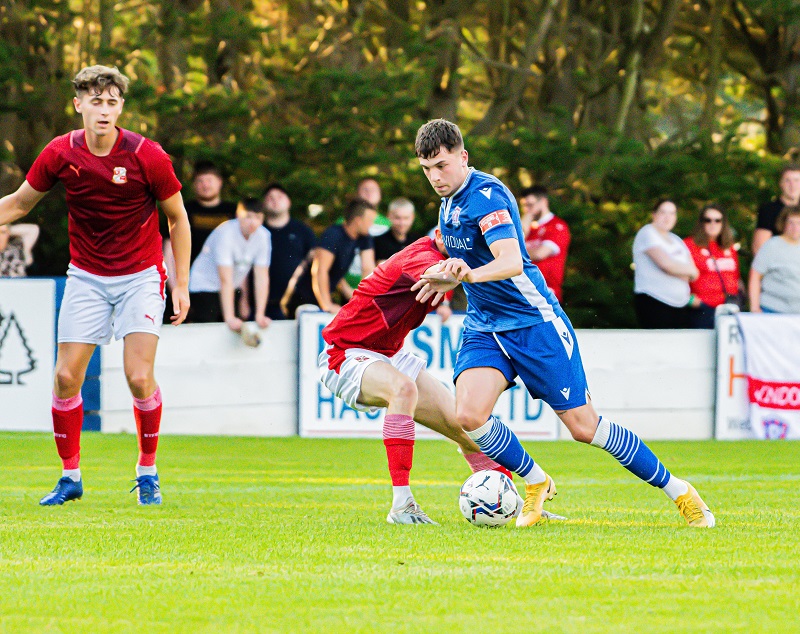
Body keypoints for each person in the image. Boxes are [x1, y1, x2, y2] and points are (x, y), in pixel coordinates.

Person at [412, 119, 714, 528]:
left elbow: (511, 261)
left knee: (585, 428)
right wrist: (442, 272)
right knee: (467, 414)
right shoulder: (448, 204)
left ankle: (681, 491)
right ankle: (535, 482)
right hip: (486, 326)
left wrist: (463, 276)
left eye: (442, 166)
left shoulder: (487, 196)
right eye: (427, 169)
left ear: (463, 157)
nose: (435, 177)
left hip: (534, 323)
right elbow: (455, 253)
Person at [0, 65, 191, 506]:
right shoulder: (60, 153)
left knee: (139, 377)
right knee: (66, 377)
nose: (104, 111)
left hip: (141, 276)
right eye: (96, 101)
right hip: (86, 275)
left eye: (112, 102)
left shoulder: (148, 155)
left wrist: (179, 283)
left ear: (121, 107)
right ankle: (70, 478)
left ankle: (147, 470)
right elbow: (20, 203)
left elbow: (177, 218)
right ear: (79, 105)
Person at [320, 231, 514, 524]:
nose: (462, 242)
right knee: (403, 390)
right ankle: (401, 505)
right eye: (454, 234)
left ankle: (518, 505)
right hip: (344, 351)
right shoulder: (422, 255)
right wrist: (453, 272)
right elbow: (431, 270)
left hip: (388, 353)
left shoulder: (452, 263)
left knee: (465, 426)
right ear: (438, 233)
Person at [162, 162, 236, 320]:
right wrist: (176, 289)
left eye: (209, 180)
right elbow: (168, 253)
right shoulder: (182, 211)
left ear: (220, 182)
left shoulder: (233, 212)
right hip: (192, 288)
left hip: (229, 287)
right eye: (200, 181)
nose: (205, 185)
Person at [188, 198, 272, 333]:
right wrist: (229, 318)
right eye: (248, 216)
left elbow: (262, 277)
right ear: (239, 214)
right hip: (203, 287)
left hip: (231, 287)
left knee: (237, 329)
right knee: (209, 330)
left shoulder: (264, 236)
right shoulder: (225, 233)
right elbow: (225, 278)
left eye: (257, 217)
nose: (253, 222)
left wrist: (259, 315)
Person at [282, 198, 376, 317]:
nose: (372, 224)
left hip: (321, 299)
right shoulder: (333, 235)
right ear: (358, 221)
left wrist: (364, 301)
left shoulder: (364, 237)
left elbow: (368, 269)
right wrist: (327, 304)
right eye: (370, 220)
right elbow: (320, 270)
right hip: (302, 299)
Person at [632, 200, 699, 329]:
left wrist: (681, 270)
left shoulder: (676, 240)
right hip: (654, 302)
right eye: (663, 212)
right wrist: (683, 270)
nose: (668, 217)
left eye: (672, 213)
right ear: (654, 215)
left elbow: (694, 272)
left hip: (679, 305)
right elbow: (666, 265)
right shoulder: (647, 233)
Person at [261, 183, 316, 320]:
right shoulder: (257, 231)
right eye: (270, 198)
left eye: (280, 197)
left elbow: (315, 261)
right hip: (260, 305)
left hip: (295, 305)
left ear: (288, 202)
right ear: (263, 203)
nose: (275, 201)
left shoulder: (303, 231)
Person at [684, 205, 743, 328]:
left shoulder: (729, 247)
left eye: (717, 220)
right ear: (701, 223)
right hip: (702, 309)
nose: (713, 224)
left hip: (729, 308)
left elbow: (736, 277)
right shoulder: (689, 245)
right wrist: (691, 301)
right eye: (708, 220)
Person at [519, 186, 571, 302]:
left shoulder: (557, 226)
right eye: (523, 206)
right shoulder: (527, 229)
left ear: (543, 202)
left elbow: (540, 254)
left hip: (546, 292)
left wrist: (515, 253)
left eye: (530, 205)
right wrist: (522, 230)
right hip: (523, 291)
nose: (526, 210)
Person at [749, 206, 800, 314]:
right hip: (771, 309)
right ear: (784, 224)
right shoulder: (771, 245)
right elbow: (755, 275)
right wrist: (754, 308)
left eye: (799, 223)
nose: (795, 227)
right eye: (791, 222)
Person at [753, 164, 800, 256]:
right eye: (787, 181)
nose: (792, 185)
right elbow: (759, 248)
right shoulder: (768, 209)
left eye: (796, 180)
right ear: (781, 184)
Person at [373, 197, 422, 264]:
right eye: (397, 218)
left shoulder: (418, 242)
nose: (402, 223)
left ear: (412, 217)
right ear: (389, 216)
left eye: (406, 218)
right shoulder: (378, 242)